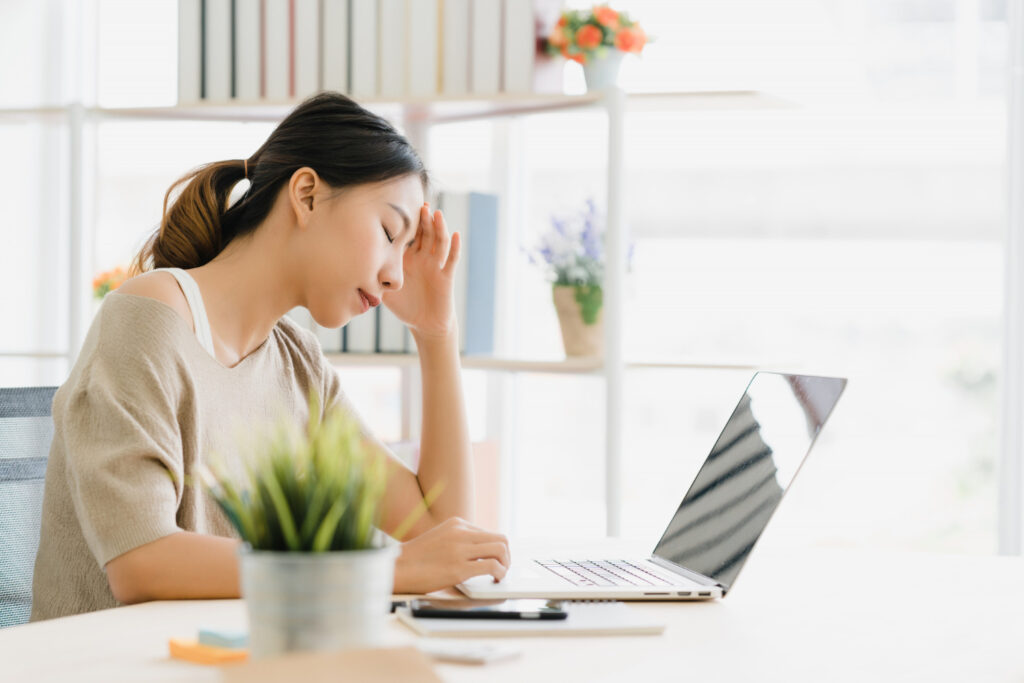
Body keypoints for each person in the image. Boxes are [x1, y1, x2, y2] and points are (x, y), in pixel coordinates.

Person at [30, 92, 511, 621]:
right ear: (306, 194)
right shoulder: (147, 318)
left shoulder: (297, 365)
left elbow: (442, 534)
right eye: (389, 232)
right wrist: (387, 570)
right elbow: (143, 563)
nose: (396, 275)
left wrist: (437, 332)